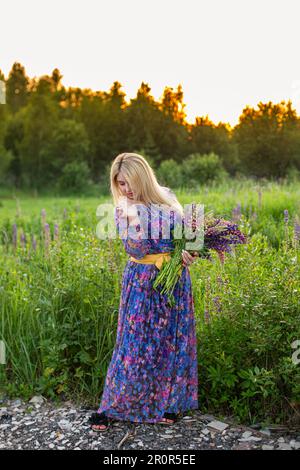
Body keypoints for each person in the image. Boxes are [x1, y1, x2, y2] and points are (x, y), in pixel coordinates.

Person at [89, 152, 199, 431]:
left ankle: (169, 405)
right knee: (134, 345)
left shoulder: (168, 198)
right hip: (142, 280)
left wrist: (187, 253)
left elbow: (189, 237)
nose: (125, 189)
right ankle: (113, 406)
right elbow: (136, 248)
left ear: (143, 177)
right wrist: (132, 211)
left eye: (129, 182)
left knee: (172, 341)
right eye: (120, 183)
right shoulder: (123, 208)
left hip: (173, 279)